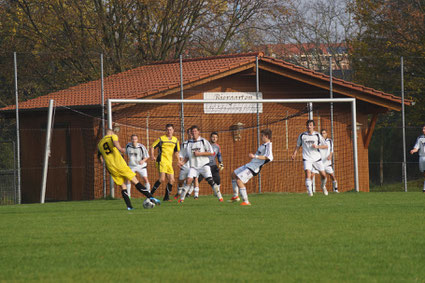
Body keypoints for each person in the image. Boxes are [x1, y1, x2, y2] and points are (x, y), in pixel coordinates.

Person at [97, 129, 160, 210]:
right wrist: (120, 148)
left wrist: (103, 163)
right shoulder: (112, 136)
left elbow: (100, 157)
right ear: (111, 132)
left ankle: (129, 207)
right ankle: (151, 197)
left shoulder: (100, 144)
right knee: (135, 181)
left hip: (111, 167)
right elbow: (115, 142)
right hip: (119, 164)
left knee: (123, 186)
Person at [178, 125, 223, 203]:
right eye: (193, 132)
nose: (194, 133)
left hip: (204, 165)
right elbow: (187, 156)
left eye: (195, 131)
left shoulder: (203, 141)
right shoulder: (189, 143)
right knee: (189, 180)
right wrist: (182, 163)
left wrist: (200, 153)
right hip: (194, 167)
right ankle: (181, 199)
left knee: (210, 181)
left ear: (198, 132)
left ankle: (220, 197)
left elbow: (211, 152)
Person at [291, 120, 328, 196]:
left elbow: (325, 146)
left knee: (324, 175)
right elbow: (298, 145)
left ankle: (323, 186)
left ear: (313, 126)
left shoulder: (317, 135)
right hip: (307, 158)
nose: (309, 126)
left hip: (317, 158)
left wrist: (317, 146)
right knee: (308, 173)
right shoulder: (302, 135)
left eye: (310, 125)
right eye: (308, 125)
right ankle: (310, 192)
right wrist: (294, 153)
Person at [150, 124, 180, 201]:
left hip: (169, 162)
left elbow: (176, 152)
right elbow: (152, 146)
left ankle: (166, 197)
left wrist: (179, 160)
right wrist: (152, 155)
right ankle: (150, 194)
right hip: (161, 161)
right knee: (162, 179)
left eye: (170, 130)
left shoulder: (175, 140)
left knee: (172, 180)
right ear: (165, 130)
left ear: (173, 130)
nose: (169, 131)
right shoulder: (161, 139)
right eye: (167, 130)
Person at [198, 132, 224, 199]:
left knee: (217, 179)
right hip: (204, 164)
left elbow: (219, 155)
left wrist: (221, 163)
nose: (214, 138)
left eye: (216, 137)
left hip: (213, 165)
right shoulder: (206, 144)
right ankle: (189, 193)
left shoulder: (217, 147)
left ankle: (217, 193)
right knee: (198, 179)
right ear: (210, 137)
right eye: (213, 137)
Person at [176, 128, 198, 199]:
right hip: (185, 165)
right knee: (181, 180)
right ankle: (179, 192)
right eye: (189, 133)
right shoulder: (184, 143)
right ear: (187, 134)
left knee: (195, 179)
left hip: (194, 165)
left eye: (192, 132)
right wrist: (180, 162)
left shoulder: (198, 143)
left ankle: (196, 195)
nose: (191, 134)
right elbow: (181, 154)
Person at [410, 124, 425, 193]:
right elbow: (416, 147)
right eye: (422, 129)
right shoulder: (420, 138)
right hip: (421, 157)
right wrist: (413, 150)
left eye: (424, 129)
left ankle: (424, 188)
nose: (423, 130)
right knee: (423, 172)